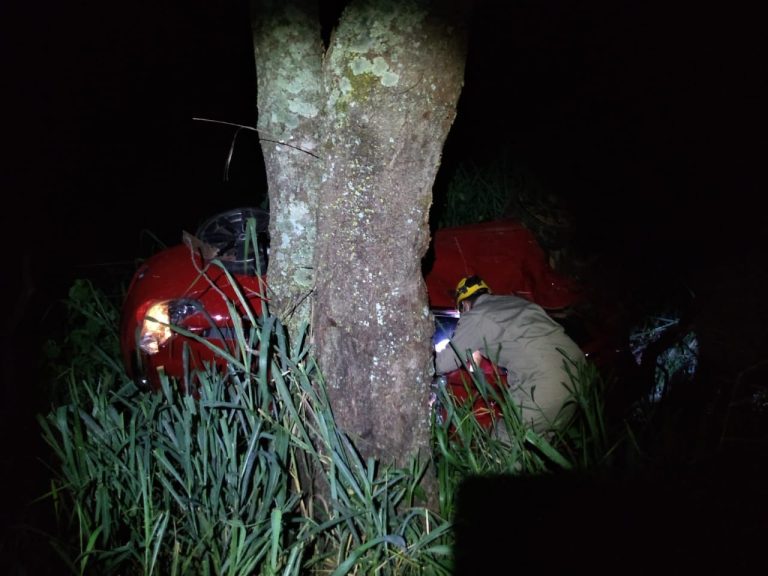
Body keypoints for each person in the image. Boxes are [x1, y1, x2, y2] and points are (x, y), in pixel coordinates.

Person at [435, 275, 585, 433]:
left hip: (544, 382)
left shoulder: (476, 315)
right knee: (538, 446)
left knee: (503, 444)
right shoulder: (518, 304)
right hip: (579, 375)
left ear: (464, 304)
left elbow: (445, 362)